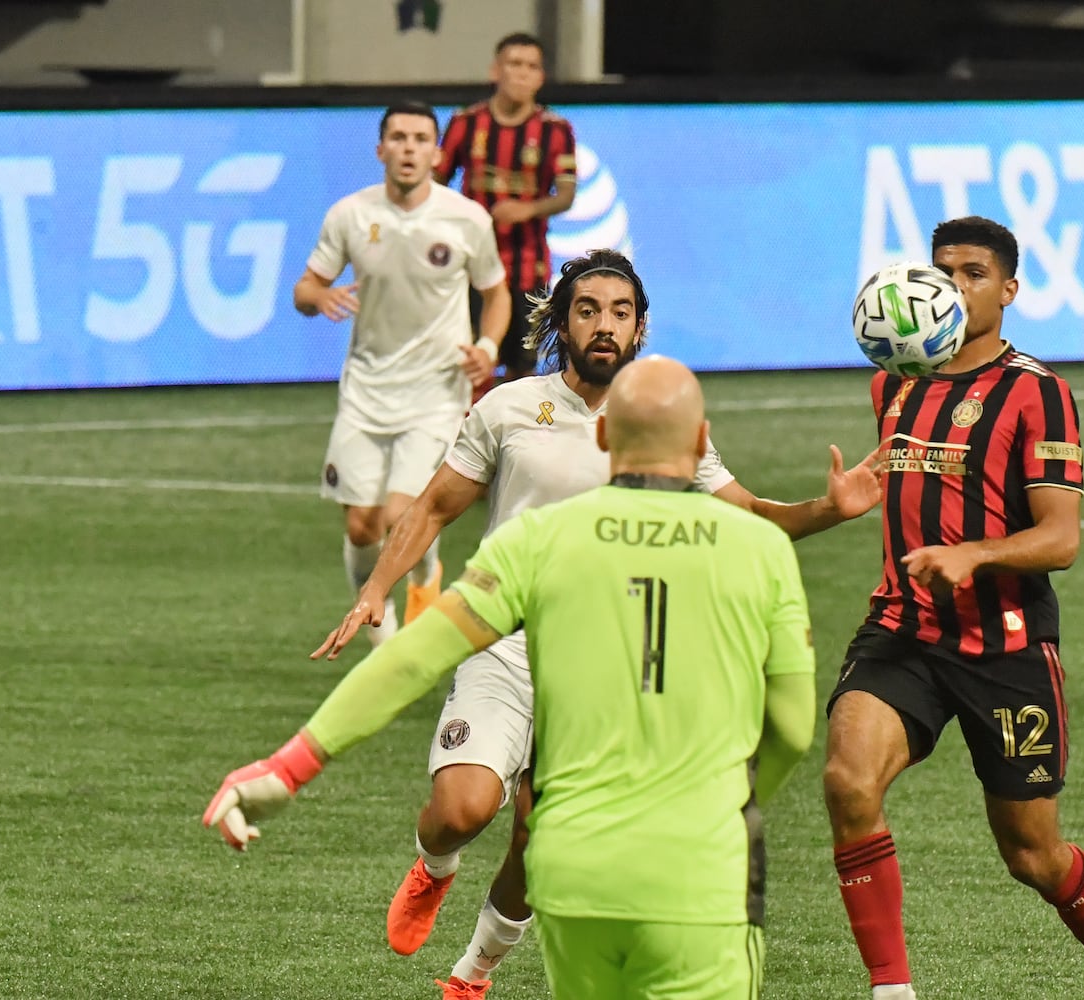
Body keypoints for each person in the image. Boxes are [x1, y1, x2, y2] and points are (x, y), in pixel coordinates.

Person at [307, 248, 881, 999]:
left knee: (538, 836)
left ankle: (472, 973)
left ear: (640, 328)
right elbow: (436, 504)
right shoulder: (508, 407)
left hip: (604, 663)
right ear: (560, 322)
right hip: (506, 641)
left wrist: (826, 511)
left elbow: (747, 519)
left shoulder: (660, 419)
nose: (603, 325)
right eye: (587, 310)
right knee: (461, 810)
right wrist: (374, 589)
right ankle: (434, 865)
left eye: (619, 312)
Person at [203, 354, 817, 999]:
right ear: (699, 442)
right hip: (701, 869)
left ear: (605, 438)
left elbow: (413, 657)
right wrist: (731, 804)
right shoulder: (760, 550)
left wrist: (288, 767)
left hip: (578, 868)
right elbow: (793, 729)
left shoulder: (543, 538)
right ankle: (446, 896)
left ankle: (469, 975)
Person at [822, 216, 1084, 1000]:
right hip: (902, 632)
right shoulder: (893, 380)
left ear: (1008, 290)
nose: (953, 286)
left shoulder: (1035, 393)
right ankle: (891, 991)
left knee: (1030, 854)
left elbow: (1060, 537)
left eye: (972, 273)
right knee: (846, 780)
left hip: (1004, 648)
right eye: (942, 271)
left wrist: (972, 554)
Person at [296, 101, 512, 644]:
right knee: (361, 526)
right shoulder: (350, 215)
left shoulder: (466, 219)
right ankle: (386, 624)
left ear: (437, 153)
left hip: (437, 390)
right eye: (399, 137)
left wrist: (487, 345)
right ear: (381, 150)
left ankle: (412, 597)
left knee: (401, 514)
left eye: (420, 138)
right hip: (366, 389)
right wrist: (318, 295)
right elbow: (304, 288)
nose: (409, 148)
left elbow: (496, 292)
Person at [436, 32, 576, 385]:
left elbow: (566, 196)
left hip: (528, 265)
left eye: (532, 67)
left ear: (541, 78)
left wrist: (527, 211)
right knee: (470, 359)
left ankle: (515, 436)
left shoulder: (556, 130)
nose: (522, 74)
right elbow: (435, 184)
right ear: (495, 71)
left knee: (522, 367)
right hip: (470, 263)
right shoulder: (465, 123)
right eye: (514, 64)